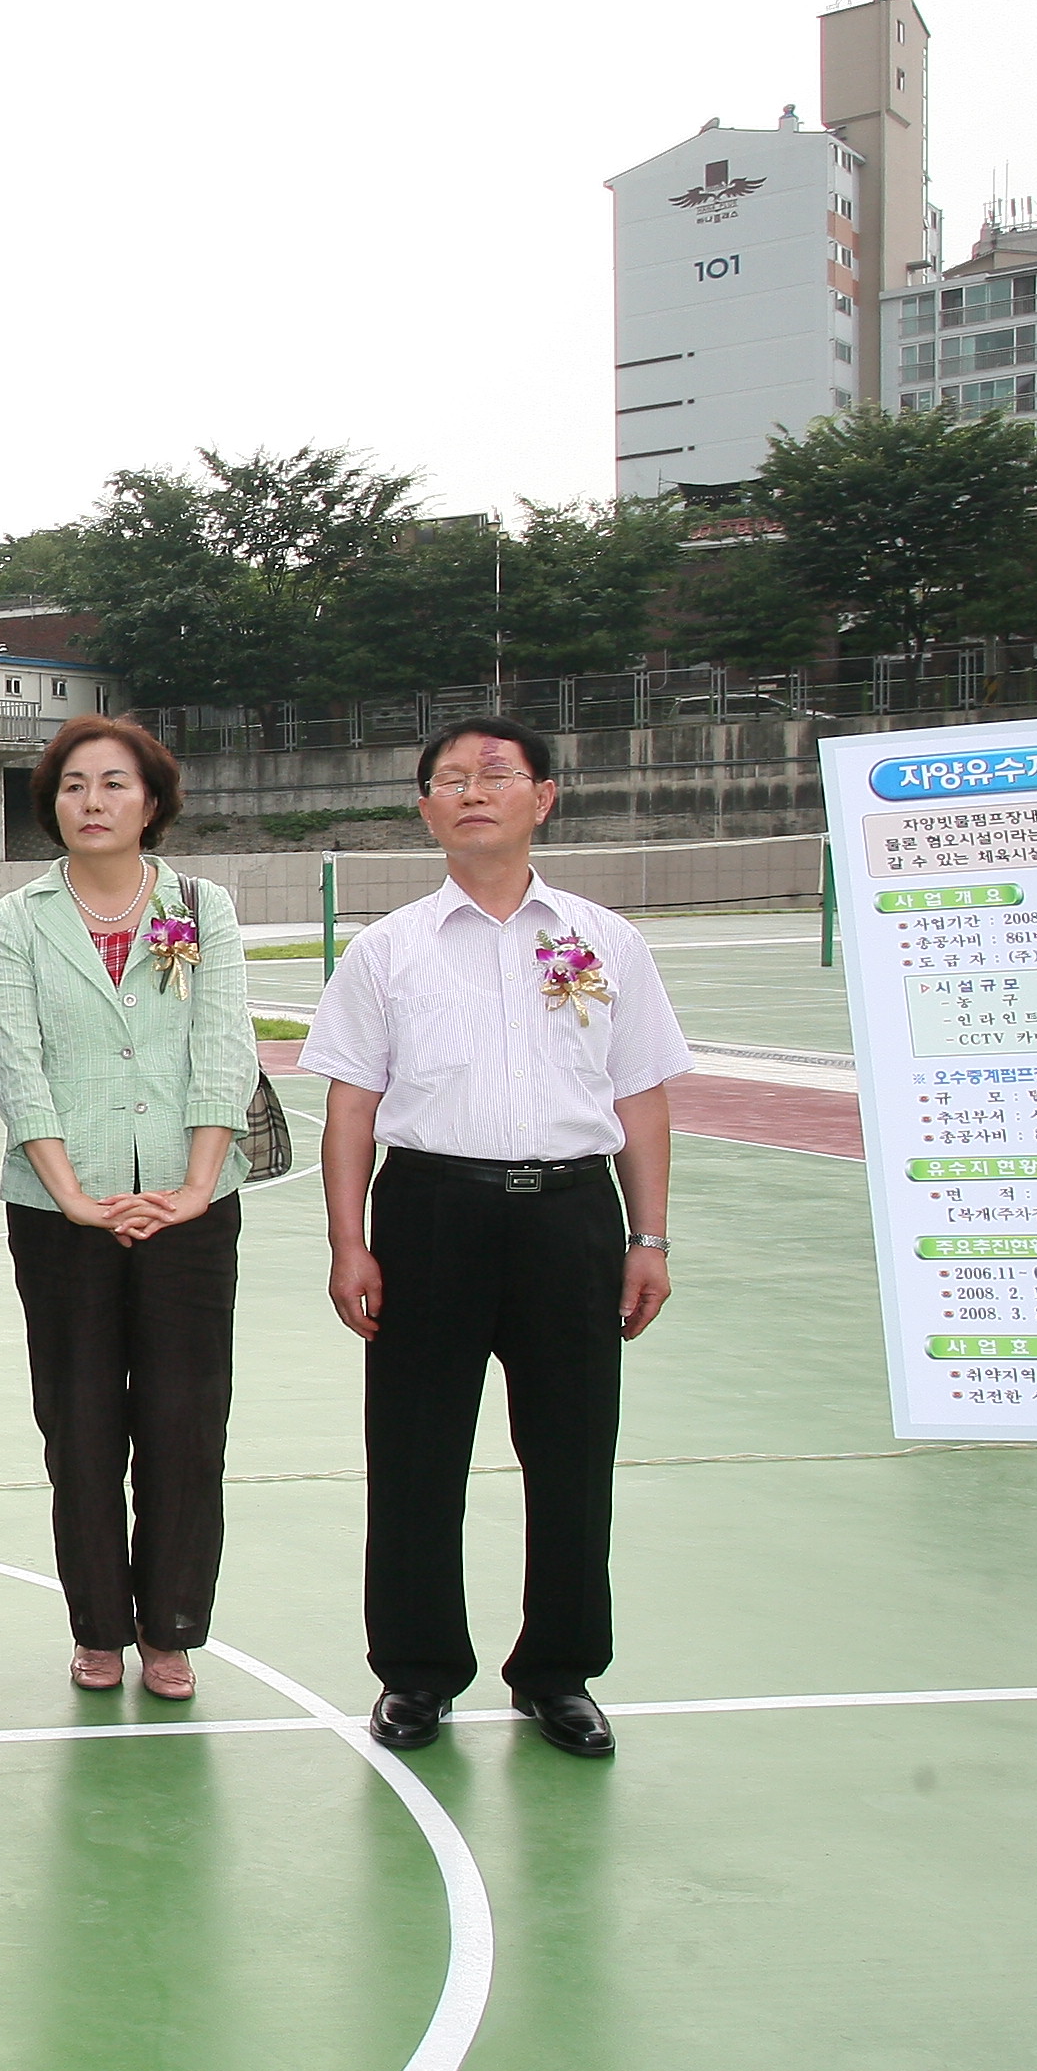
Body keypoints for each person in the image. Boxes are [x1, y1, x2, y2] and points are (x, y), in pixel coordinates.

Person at [300, 715, 688, 1759]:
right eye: (450, 779)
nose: (473, 790)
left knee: (571, 1449)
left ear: (544, 797)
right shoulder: (389, 950)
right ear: (425, 809)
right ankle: (418, 1672)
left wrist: (646, 1233)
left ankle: (559, 1669)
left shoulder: (607, 941)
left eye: (497, 773)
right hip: (430, 1211)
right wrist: (350, 1239)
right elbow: (351, 1106)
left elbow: (640, 1093)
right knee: (417, 1450)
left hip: (571, 1215)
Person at [0, 716, 254, 1699]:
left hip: (191, 1207)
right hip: (61, 1210)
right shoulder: (17, 920)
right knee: (81, 1419)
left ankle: (172, 1625)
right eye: (72, 786)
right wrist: (75, 1197)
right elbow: (20, 1062)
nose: (91, 802)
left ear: (151, 800)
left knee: (185, 1420)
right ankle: (98, 1621)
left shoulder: (200, 906)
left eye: (112, 784)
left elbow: (224, 1045)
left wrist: (188, 1185)